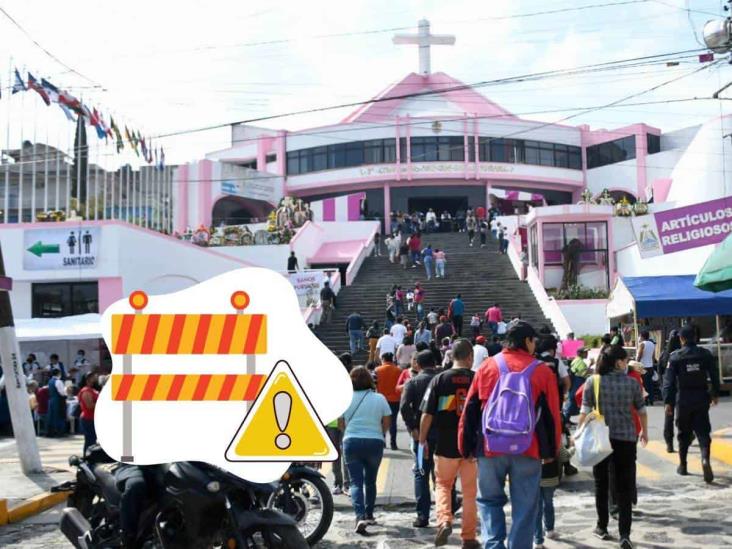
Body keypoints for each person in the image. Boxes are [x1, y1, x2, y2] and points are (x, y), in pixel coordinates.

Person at [459, 321, 562, 549]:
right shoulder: (542, 370)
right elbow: (553, 414)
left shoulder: (487, 367)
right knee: (525, 507)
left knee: (489, 501)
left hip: (490, 447)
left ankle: (494, 545)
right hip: (528, 448)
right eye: (533, 340)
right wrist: (552, 451)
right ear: (527, 341)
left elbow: (470, 409)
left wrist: (465, 446)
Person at [579, 345, 647, 549]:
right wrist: (645, 431)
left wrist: (579, 433)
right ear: (618, 362)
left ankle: (602, 527)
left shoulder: (593, 381)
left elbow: (584, 411)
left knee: (602, 484)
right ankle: (625, 534)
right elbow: (642, 410)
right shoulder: (632, 383)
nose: (627, 364)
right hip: (626, 439)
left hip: (602, 440)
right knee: (625, 487)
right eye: (625, 360)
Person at [419, 340, 480, 548]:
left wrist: (422, 441)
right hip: (471, 446)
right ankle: (469, 538)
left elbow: (426, 415)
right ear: (470, 356)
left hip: (445, 444)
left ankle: (444, 520)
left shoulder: (439, 380)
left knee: (443, 485)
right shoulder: (477, 379)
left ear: (451, 357)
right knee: (470, 492)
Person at [663, 324, 720, 483]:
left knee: (683, 432)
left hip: (683, 398)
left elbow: (668, 382)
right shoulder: (705, 354)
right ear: (695, 338)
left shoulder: (675, 357)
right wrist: (715, 393)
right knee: (703, 431)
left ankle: (683, 465)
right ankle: (704, 459)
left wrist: (668, 402)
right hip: (702, 397)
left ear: (681, 339)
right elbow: (714, 375)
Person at [339, 367, 391, 534]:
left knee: (355, 482)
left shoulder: (345, 399)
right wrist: (378, 433)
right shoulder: (379, 398)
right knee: (370, 481)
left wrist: (349, 430)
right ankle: (369, 514)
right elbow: (386, 423)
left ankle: (359, 516)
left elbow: (340, 424)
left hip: (351, 441)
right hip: (374, 442)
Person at [400, 350, 440, 528]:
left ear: (418, 364)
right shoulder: (442, 379)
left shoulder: (412, 382)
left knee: (421, 473)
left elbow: (404, 407)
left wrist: (412, 428)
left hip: (421, 435)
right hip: (443, 434)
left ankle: (423, 516)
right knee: (443, 475)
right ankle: (447, 510)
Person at [327, 354, 353, 495]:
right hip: (341, 420)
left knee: (338, 453)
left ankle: (340, 483)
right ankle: (345, 484)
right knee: (343, 453)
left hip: (335, 421)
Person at [658, 331, 681, 453]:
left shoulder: (664, 355)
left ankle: (669, 444)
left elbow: (660, 371)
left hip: (667, 389)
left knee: (668, 416)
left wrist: (662, 386)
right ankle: (687, 437)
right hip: (681, 389)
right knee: (684, 416)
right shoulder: (681, 354)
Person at [375, 353, 402, 450]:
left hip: (381, 399)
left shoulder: (377, 370)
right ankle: (393, 444)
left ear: (383, 359)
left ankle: (382, 442)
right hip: (395, 400)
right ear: (392, 359)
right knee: (393, 421)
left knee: (381, 421)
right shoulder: (398, 370)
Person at [78, 372, 99, 454]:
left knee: (93, 439)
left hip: (92, 418)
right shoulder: (85, 391)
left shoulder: (92, 390)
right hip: (88, 418)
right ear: (88, 379)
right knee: (90, 440)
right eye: (93, 377)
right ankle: (87, 457)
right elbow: (89, 405)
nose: (95, 378)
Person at [636, 330, 656, 405]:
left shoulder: (642, 344)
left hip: (643, 367)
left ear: (642, 336)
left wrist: (636, 362)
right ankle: (651, 400)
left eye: (640, 336)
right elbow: (653, 356)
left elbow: (639, 355)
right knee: (650, 383)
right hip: (650, 366)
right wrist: (652, 364)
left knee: (643, 384)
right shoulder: (652, 344)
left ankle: (645, 400)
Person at [46, 367, 67, 437]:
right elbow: (62, 392)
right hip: (58, 400)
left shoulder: (50, 381)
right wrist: (66, 393)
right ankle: (60, 432)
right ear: (59, 373)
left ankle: (51, 432)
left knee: (51, 416)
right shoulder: (58, 381)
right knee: (59, 415)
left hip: (51, 399)